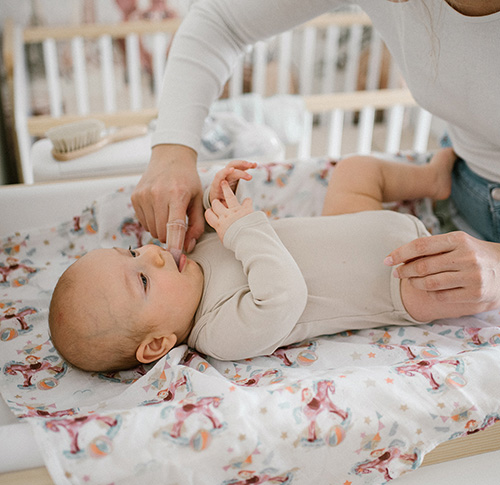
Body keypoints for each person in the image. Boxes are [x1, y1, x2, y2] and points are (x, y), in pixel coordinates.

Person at [131, 0, 500, 317]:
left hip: (389, 271)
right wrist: (174, 153)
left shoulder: (219, 327)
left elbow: (280, 301)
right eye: (136, 266)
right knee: (354, 169)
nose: (152, 254)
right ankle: (434, 177)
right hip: (448, 192)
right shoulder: (205, 322)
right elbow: (221, 20)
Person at [49, 148, 491, 373]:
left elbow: (245, 231)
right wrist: (240, 229)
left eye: (132, 252)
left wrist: (219, 198)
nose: (152, 255)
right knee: (456, 287)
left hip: (349, 222)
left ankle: (432, 181)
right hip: (398, 281)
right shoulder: (219, 332)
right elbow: (284, 294)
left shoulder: (193, 260)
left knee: (354, 170)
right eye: (143, 280)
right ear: (158, 344)